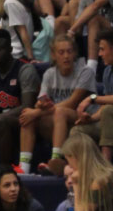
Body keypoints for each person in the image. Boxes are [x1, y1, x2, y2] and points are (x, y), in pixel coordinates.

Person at [18, 36, 96, 174]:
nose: (66, 56)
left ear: (75, 53)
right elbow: (41, 102)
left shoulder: (85, 72)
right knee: (27, 116)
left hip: (82, 118)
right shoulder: (49, 74)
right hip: (57, 121)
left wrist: (37, 112)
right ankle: (23, 168)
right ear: (53, 55)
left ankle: (55, 160)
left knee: (58, 112)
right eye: (61, 52)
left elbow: (72, 103)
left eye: (69, 51)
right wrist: (39, 107)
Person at [46, 28, 113, 171]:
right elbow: (105, 104)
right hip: (107, 121)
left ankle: (105, 166)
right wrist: (91, 118)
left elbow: (106, 104)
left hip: (110, 118)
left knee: (108, 110)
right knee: (77, 130)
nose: (99, 54)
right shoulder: (108, 72)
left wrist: (93, 98)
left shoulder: (85, 72)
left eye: (102, 49)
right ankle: (81, 170)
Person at [0, 30, 40, 165]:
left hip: (23, 123)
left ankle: (6, 170)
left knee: (2, 123)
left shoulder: (25, 70)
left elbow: (27, 107)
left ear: (10, 49)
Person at [59, 0, 113, 72]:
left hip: (110, 27)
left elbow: (95, 7)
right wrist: (72, 31)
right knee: (61, 21)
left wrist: (71, 30)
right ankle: (64, 64)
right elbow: (79, 21)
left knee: (94, 19)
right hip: (101, 30)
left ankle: (91, 68)